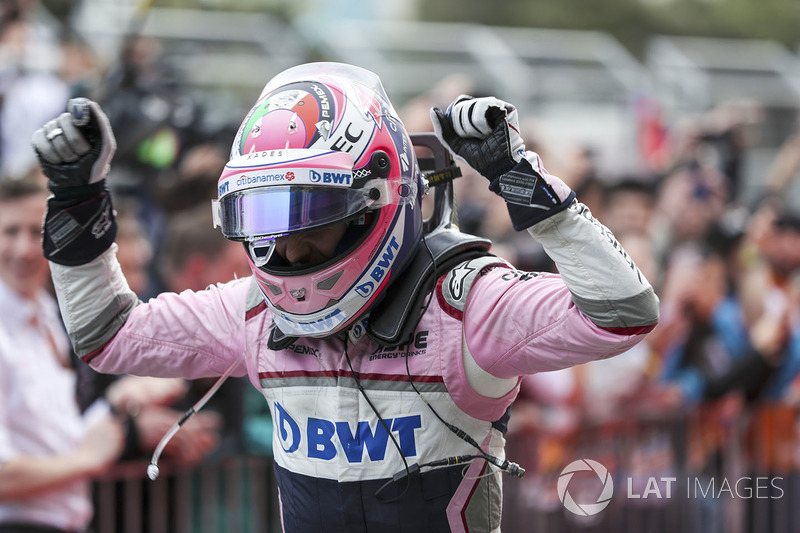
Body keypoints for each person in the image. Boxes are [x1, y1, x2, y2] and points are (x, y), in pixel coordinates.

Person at [31, 62, 659, 532]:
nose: (292, 249)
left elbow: (624, 312)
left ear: (381, 197)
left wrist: (520, 177)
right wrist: (78, 205)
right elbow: (109, 336)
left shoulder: (466, 305)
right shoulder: (253, 309)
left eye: (313, 216)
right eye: (269, 220)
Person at [0, 172, 125, 533]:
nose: (23, 250)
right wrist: (85, 461)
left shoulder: (49, 314)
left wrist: (119, 401)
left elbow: (59, 434)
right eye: (10, 232)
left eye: (35, 232)